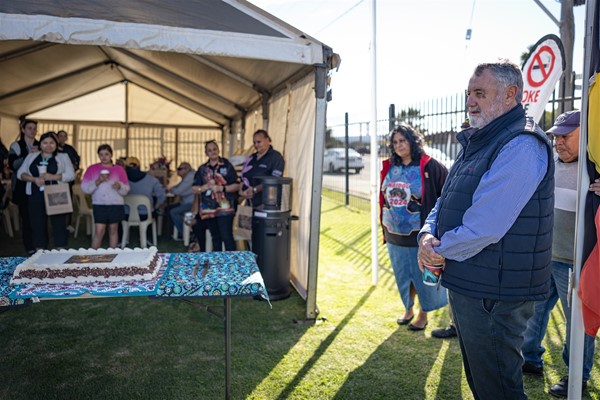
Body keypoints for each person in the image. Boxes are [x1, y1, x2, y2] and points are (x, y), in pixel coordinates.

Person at [417, 60, 554, 400]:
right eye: (469, 93)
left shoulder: (521, 143)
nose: (471, 101)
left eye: (480, 93)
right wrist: (426, 235)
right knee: (484, 383)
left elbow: (485, 226)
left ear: (511, 94)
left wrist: (438, 248)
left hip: (495, 292)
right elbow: (444, 200)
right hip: (474, 283)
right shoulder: (480, 140)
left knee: (497, 389)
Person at [521, 110, 595, 398]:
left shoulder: (593, 170)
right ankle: (530, 359)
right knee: (533, 313)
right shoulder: (549, 164)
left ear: (585, 134)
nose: (559, 142)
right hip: (544, 257)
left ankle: (578, 373)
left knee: (577, 323)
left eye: (566, 136)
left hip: (576, 264)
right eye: (556, 137)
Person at [379, 124, 448, 331]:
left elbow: (445, 194)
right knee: (403, 276)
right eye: (395, 142)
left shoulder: (429, 166)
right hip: (394, 235)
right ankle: (408, 309)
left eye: (403, 140)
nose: (399, 145)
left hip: (418, 237)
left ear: (412, 141)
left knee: (423, 277)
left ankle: (423, 313)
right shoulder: (389, 166)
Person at [16, 131, 75, 250]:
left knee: (58, 223)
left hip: (56, 193)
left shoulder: (63, 156)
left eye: (52, 142)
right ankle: (40, 250)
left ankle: (60, 250)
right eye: (45, 142)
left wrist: (53, 177)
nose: (48, 145)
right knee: (37, 223)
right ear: (40, 144)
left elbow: (71, 175)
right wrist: (34, 179)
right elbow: (20, 174)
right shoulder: (32, 156)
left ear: (56, 143)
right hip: (36, 193)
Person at [191, 140, 240, 251]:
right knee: (215, 238)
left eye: (214, 149)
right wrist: (205, 186)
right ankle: (218, 264)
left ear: (218, 150)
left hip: (225, 208)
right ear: (206, 153)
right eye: (209, 150)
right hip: (208, 209)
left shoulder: (227, 166)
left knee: (226, 237)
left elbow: (237, 185)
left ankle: (231, 265)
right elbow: (194, 189)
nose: (212, 152)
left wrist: (222, 188)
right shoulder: (202, 169)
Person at [81, 144, 130, 249]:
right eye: (101, 154)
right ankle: (92, 257)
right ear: (98, 156)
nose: (104, 157)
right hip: (99, 204)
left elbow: (126, 190)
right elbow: (85, 188)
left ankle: (113, 256)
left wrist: (119, 186)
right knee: (99, 230)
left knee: (113, 229)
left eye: (106, 154)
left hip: (115, 204)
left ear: (111, 155)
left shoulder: (120, 170)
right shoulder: (92, 169)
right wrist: (98, 181)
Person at [8, 119, 40, 255]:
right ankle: (29, 245)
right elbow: (13, 165)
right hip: (21, 186)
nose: (32, 131)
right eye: (29, 128)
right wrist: (28, 154)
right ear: (23, 129)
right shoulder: (16, 145)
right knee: (26, 217)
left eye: (34, 128)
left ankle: (39, 243)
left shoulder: (41, 144)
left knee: (38, 216)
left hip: (37, 187)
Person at [238, 129, 285, 207]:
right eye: (254, 143)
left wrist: (255, 190)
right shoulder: (251, 157)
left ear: (267, 140)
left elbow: (274, 180)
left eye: (259, 142)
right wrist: (241, 191)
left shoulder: (276, 157)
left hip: (266, 203)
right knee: (244, 219)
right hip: (249, 202)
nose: (256, 145)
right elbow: (243, 176)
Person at [125, 156, 166, 224]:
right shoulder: (151, 179)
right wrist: (155, 207)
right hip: (146, 214)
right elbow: (162, 196)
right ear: (139, 166)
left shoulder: (120, 180)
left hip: (126, 214)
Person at [167, 162, 195, 239]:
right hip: (186, 202)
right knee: (169, 208)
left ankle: (184, 234)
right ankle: (174, 232)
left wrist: (170, 189)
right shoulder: (187, 177)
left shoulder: (190, 177)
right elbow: (178, 187)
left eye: (179, 169)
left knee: (173, 212)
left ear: (187, 169)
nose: (178, 171)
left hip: (192, 204)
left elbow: (178, 191)